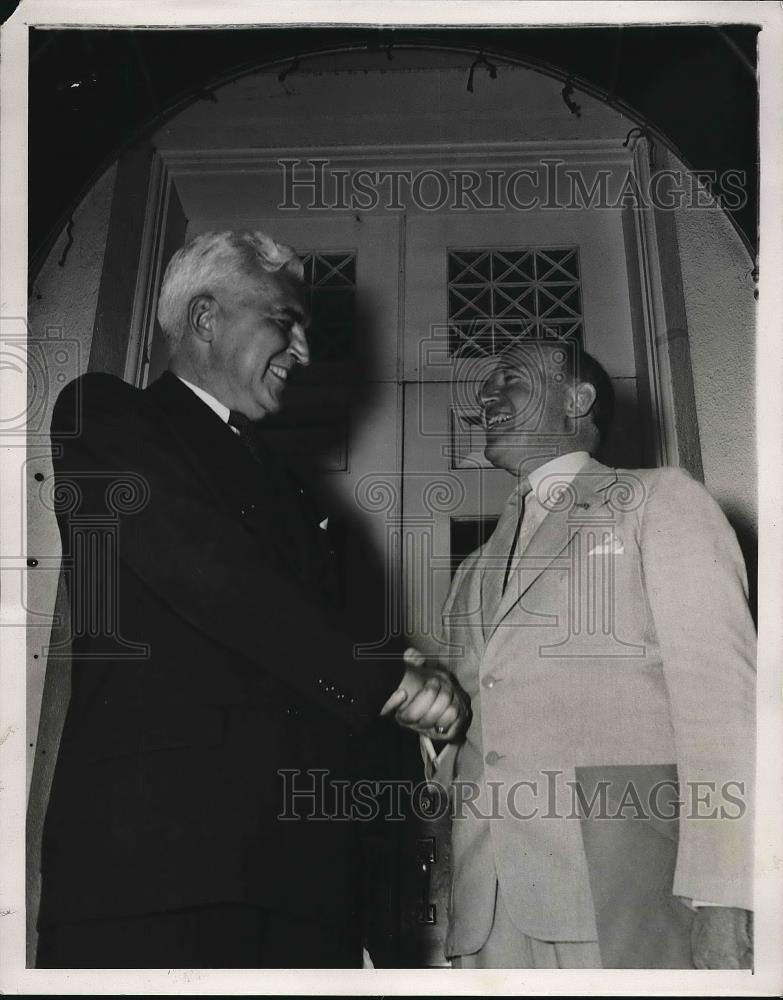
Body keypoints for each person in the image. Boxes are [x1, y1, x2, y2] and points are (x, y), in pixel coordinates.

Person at [36, 230, 466, 969]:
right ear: (206, 319)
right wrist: (388, 681)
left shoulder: (292, 488)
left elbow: (306, 637)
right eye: (285, 322)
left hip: (304, 885)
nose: (302, 351)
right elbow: (210, 571)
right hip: (160, 874)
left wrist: (400, 664)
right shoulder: (106, 416)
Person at [427, 338, 755, 969]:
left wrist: (728, 895)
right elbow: (471, 733)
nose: (486, 396)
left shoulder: (659, 500)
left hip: (621, 892)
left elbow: (724, 706)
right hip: (486, 907)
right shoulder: (472, 569)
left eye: (511, 381)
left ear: (577, 401)